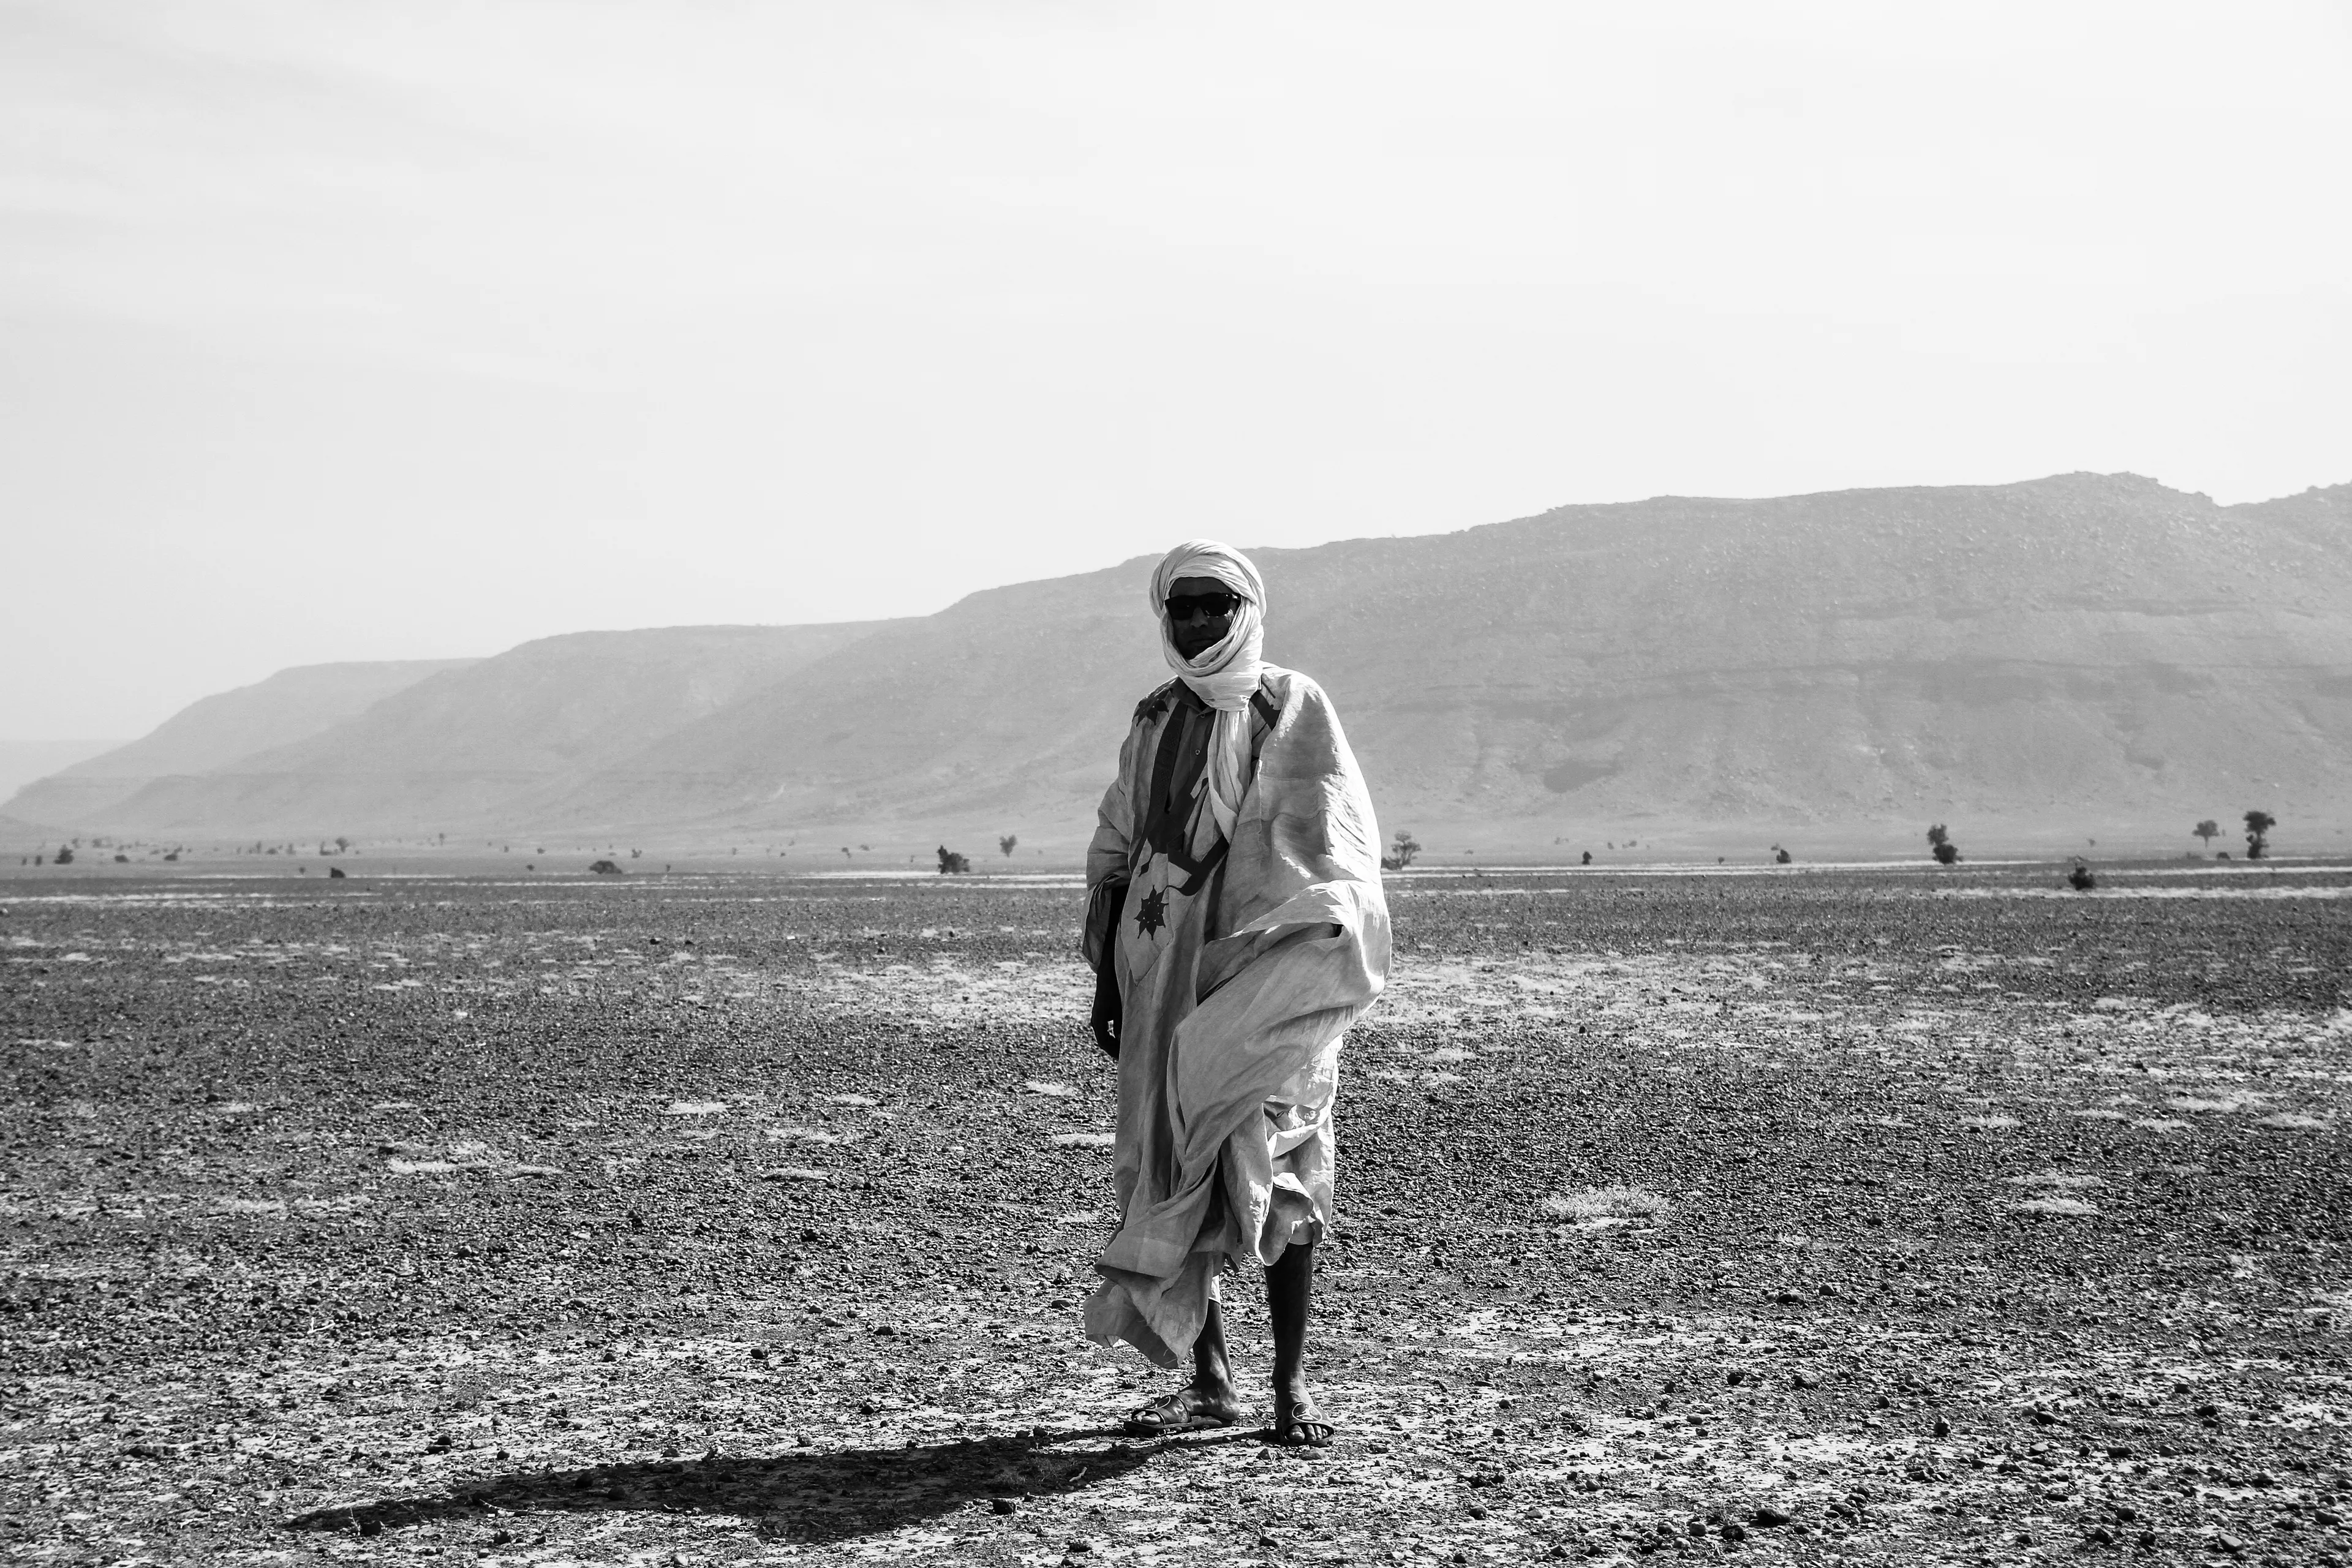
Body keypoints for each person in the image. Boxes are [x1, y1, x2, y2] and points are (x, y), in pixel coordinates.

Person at [1079, 539, 1390, 1447]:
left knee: (1285, 1162)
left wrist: (1292, 933)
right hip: (1163, 969)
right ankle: (1211, 1373)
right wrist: (1110, 980)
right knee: (1179, 1156)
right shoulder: (1154, 717)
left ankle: (1293, 1385)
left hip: (1267, 971)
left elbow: (1331, 833)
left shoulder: (1293, 707)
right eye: (1183, 607)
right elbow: (1123, 850)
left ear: (1247, 608)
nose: (1201, 621)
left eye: (1217, 604)